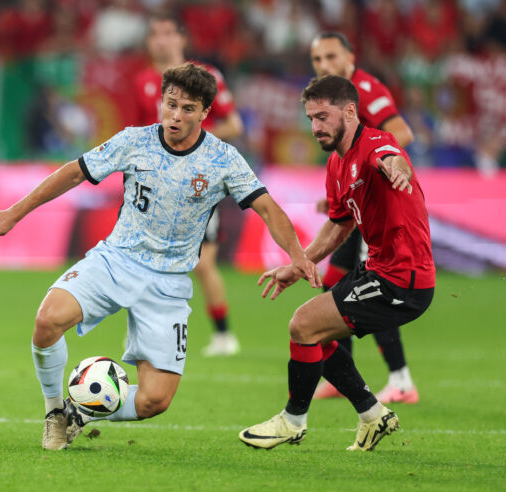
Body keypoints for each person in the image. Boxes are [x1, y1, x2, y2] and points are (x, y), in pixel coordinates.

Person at [0, 63, 320, 451]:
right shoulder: (134, 141)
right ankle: (55, 414)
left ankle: (79, 413)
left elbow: (269, 208)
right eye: (170, 104)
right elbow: (73, 173)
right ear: (161, 101)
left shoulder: (224, 159)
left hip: (168, 283)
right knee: (47, 321)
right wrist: (12, 214)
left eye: (188, 108)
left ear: (205, 112)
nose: (176, 115)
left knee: (155, 401)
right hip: (116, 259)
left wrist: (297, 256)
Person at [239, 75, 435, 451]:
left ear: (349, 111)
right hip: (378, 270)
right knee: (315, 332)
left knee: (304, 325)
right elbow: (337, 228)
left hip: (402, 278)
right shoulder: (335, 165)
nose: (315, 127)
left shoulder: (375, 143)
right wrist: (296, 266)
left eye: (323, 117)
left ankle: (293, 420)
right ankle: (372, 414)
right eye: (310, 118)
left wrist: (399, 169)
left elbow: (393, 158)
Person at [309, 31, 419, 404]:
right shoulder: (333, 98)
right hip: (359, 208)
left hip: (382, 212)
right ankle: (344, 376)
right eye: (317, 60)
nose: (324, 65)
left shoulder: (364, 89)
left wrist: (387, 169)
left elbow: (400, 132)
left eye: (331, 57)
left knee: (373, 288)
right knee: (334, 283)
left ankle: (401, 380)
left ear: (350, 55)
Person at [133, 13, 244, 357]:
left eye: (168, 33)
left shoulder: (205, 77)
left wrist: (191, 140)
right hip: (158, 183)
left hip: (199, 182)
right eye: (155, 34)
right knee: (144, 259)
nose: (161, 40)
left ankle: (224, 334)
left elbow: (234, 125)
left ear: (181, 39)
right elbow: (144, 132)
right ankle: (146, 336)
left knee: (202, 263)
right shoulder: (143, 81)